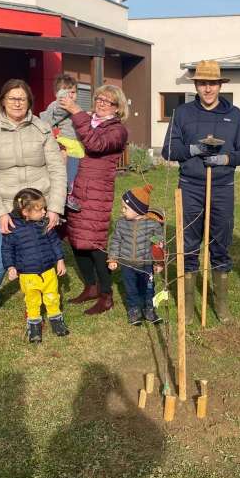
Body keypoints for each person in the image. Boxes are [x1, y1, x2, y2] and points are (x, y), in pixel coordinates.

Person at [161, 60, 240, 323]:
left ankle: (221, 305)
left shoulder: (234, 115)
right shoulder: (182, 113)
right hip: (191, 187)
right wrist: (192, 149)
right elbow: (168, 150)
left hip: (222, 188)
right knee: (189, 243)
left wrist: (225, 159)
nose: (208, 88)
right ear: (196, 85)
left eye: (212, 83)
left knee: (220, 243)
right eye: (202, 83)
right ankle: (189, 307)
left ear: (219, 85)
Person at [0, 79, 66, 332]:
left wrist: (55, 207)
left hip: (39, 206)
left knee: (40, 256)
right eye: (12, 98)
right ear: (2, 100)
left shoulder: (42, 129)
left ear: (29, 103)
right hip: (6, 206)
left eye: (22, 98)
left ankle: (33, 301)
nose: (17, 102)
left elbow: (57, 169)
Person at [64, 84, 129, 315]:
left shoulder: (117, 130)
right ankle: (90, 287)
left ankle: (106, 295)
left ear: (117, 107)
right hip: (77, 187)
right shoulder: (89, 121)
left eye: (107, 101)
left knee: (94, 243)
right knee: (76, 239)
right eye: (99, 98)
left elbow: (95, 144)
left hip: (96, 192)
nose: (101, 103)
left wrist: (76, 113)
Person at [2, 188, 69, 343]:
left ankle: (56, 321)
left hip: (48, 271)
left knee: (52, 297)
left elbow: (54, 242)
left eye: (45, 208)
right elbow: (6, 249)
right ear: (26, 212)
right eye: (40, 209)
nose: (45, 212)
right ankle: (34, 326)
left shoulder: (44, 224)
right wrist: (10, 267)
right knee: (32, 301)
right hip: (28, 275)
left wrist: (60, 259)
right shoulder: (12, 228)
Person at [107, 184, 165, 326]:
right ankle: (134, 311)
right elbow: (115, 241)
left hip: (146, 264)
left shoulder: (152, 225)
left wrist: (159, 263)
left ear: (138, 210)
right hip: (128, 265)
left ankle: (149, 309)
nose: (122, 210)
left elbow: (158, 247)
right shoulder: (121, 223)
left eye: (126, 208)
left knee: (148, 288)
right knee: (131, 289)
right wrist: (113, 258)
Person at [40, 73, 85, 212]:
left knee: (76, 173)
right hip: (66, 143)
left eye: (73, 92)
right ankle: (65, 196)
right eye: (66, 92)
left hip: (76, 144)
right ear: (57, 94)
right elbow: (57, 113)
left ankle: (69, 194)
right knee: (68, 173)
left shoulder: (74, 106)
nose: (70, 96)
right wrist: (64, 102)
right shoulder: (58, 106)